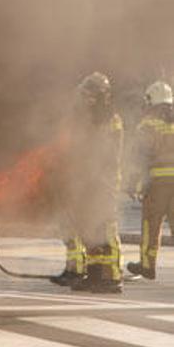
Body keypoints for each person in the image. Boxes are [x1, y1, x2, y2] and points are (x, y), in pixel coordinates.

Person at [52, 72, 124, 293]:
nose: (87, 99)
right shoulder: (85, 119)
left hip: (104, 182)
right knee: (89, 229)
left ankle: (111, 278)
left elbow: (108, 152)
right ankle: (93, 275)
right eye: (85, 95)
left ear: (102, 95)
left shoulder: (111, 119)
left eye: (91, 94)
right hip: (86, 181)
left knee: (106, 230)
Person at [126, 80, 174, 280]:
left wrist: (133, 184)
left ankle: (147, 265)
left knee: (151, 225)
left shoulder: (147, 125)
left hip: (157, 185)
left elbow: (140, 157)